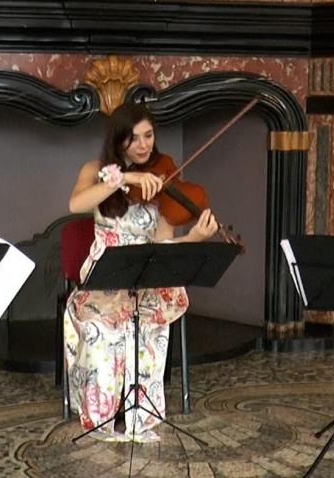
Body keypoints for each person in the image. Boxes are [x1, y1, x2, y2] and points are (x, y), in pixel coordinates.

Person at [63, 102, 219, 443]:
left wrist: (194, 238)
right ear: (118, 139)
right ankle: (105, 413)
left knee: (147, 329)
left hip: (146, 279)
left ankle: (138, 414)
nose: (144, 145)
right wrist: (125, 178)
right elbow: (76, 204)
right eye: (133, 138)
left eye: (149, 136)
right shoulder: (95, 170)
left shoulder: (162, 179)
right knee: (101, 331)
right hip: (104, 280)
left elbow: (163, 244)